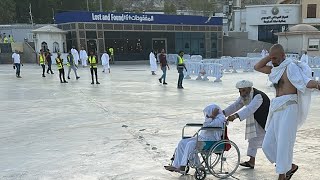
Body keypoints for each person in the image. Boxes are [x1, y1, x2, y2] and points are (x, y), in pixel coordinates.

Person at [254, 44, 320, 180]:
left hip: (289, 107)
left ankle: (282, 176)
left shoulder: (291, 66)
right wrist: (271, 55)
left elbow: (305, 81)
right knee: (267, 145)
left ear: (283, 56)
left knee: (284, 143)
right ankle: (289, 167)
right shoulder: (274, 70)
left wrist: (318, 85)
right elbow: (257, 67)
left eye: (275, 58)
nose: (273, 60)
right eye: (271, 58)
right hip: (276, 109)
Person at [164, 103, 226, 173]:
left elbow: (206, 125)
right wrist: (211, 117)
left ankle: (183, 166)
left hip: (211, 141)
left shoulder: (220, 119)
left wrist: (212, 116)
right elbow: (206, 125)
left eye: (208, 114)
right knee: (182, 142)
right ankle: (177, 165)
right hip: (202, 138)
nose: (207, 116)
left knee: (190, 144)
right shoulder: (212, 118)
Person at [223, 80, 270, 169]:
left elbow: (250, 109)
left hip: (266, 121)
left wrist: (235, 116)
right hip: (255, 120)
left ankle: (282, 163)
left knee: (269, 143)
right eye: (240, 91)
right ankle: (251, 161)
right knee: (253, 140)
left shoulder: (258, 96)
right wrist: (223, 113)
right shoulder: (245, 96)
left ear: (249, 89)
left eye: (243, 91)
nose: (241, 93)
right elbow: (235, 105)